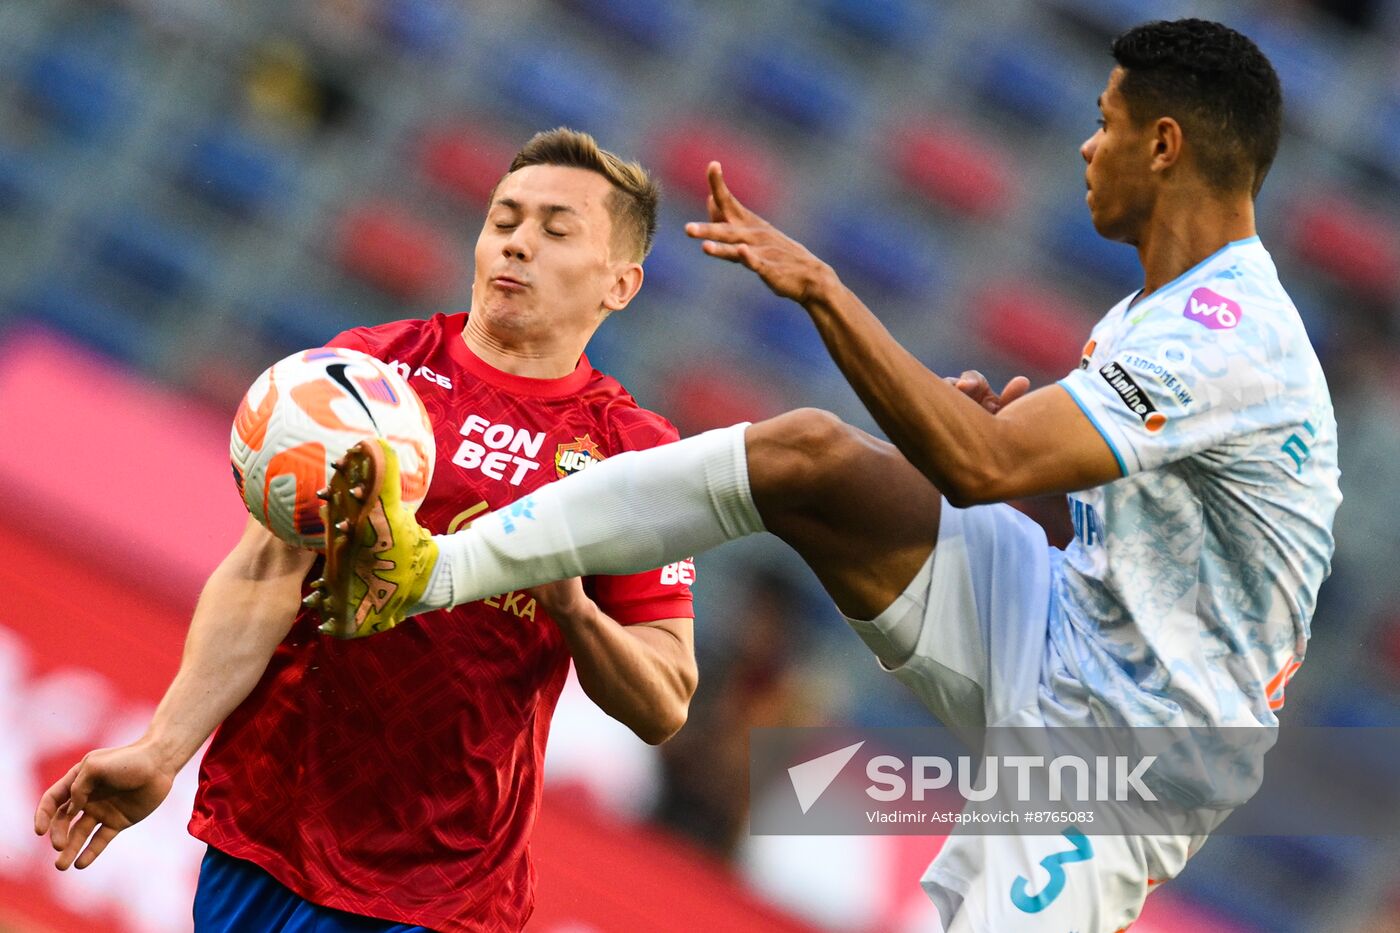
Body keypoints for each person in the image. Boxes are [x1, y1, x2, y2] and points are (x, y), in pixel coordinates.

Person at [314, 19, 1340, 932]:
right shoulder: (1153, 316)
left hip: (1135, 755)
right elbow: (1106, 520)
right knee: (809, 458)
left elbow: (976, 466)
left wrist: (822, 290)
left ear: (1162, 145)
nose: (1085, 144)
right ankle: (425, 570)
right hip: (1064, 627)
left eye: (1106, 120)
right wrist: (985, 437)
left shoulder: (1221, 336)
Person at [34, 128, 701, 933]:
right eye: (504, 220)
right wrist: (162, 748)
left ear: (619, 284)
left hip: (446, 890)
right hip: (267, 835)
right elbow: (262, 573)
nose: (518, 244)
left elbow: (664, 698)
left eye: (556, 231)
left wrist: (571, 604)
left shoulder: (633, 453)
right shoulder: (367, 377)